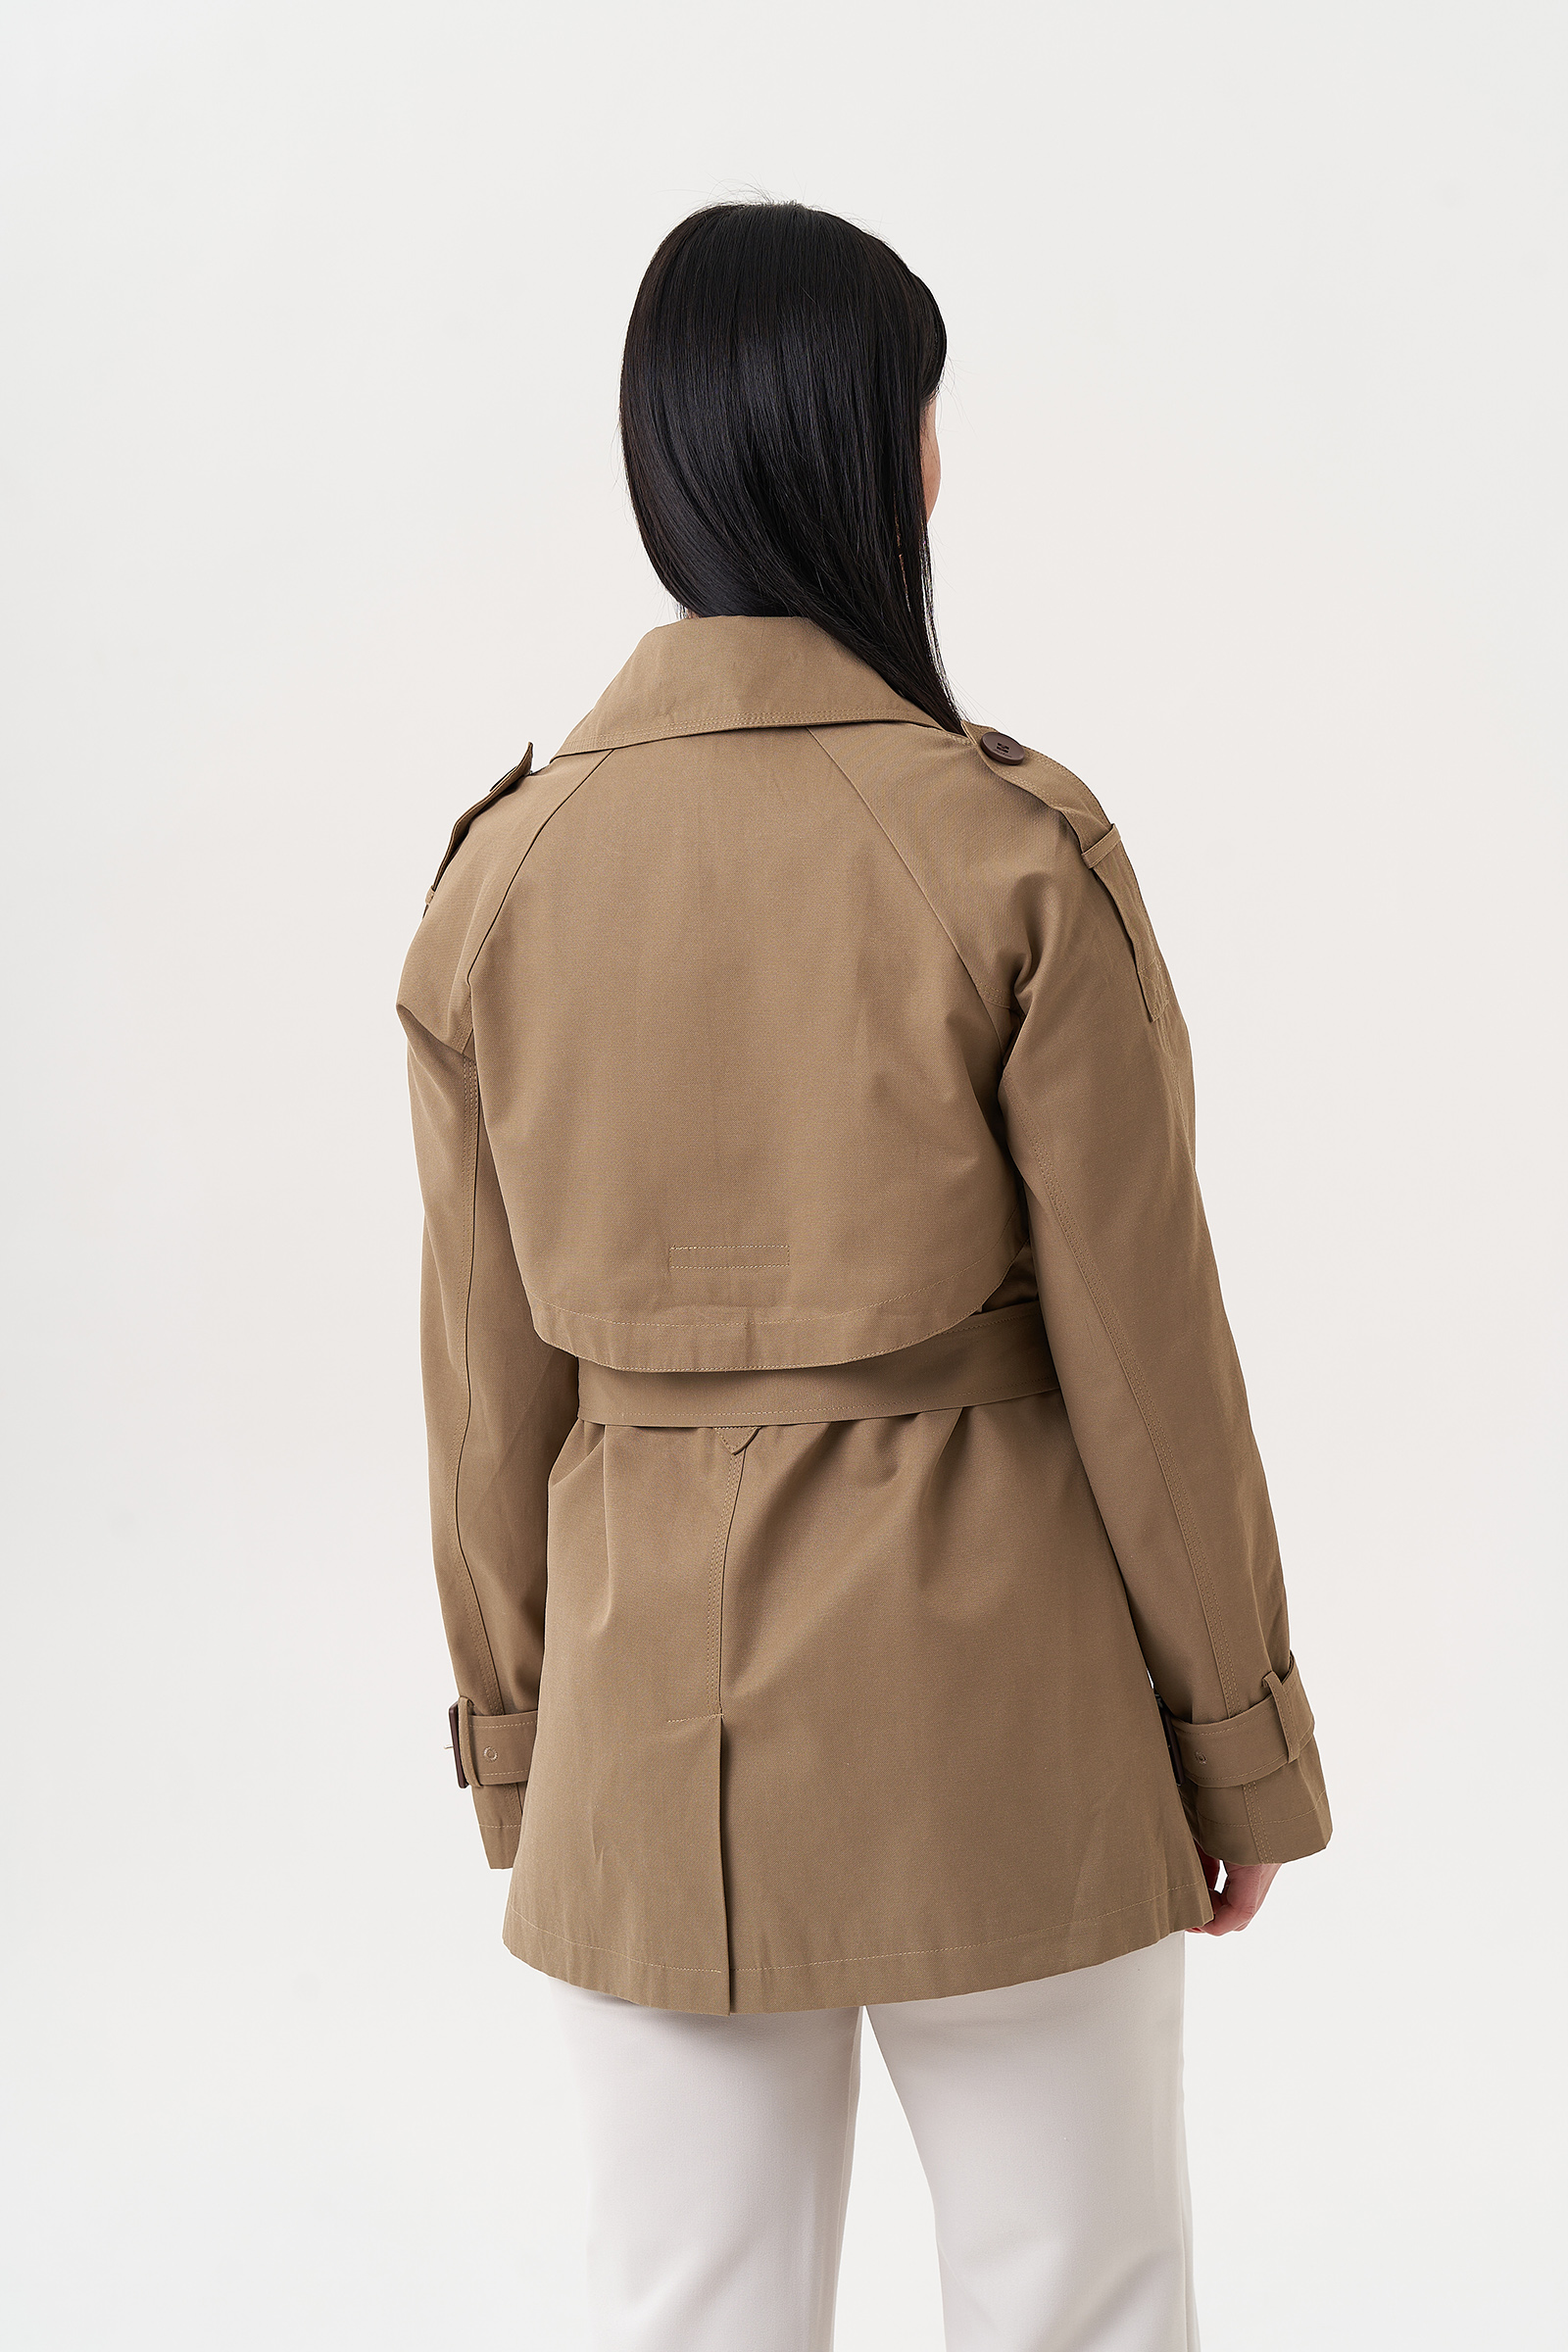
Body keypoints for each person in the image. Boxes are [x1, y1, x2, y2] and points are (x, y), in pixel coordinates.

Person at [397, 199, 1331, 2352]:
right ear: (886, 456)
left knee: (690, 2321)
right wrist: (1236, 1746)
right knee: (1077, 2309)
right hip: (1013, 1732)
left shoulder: (498, 881)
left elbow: (480, 1398)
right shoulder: (1012, 847)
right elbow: (1152, 1363)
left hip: (646, 1757)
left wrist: (525, 1759)